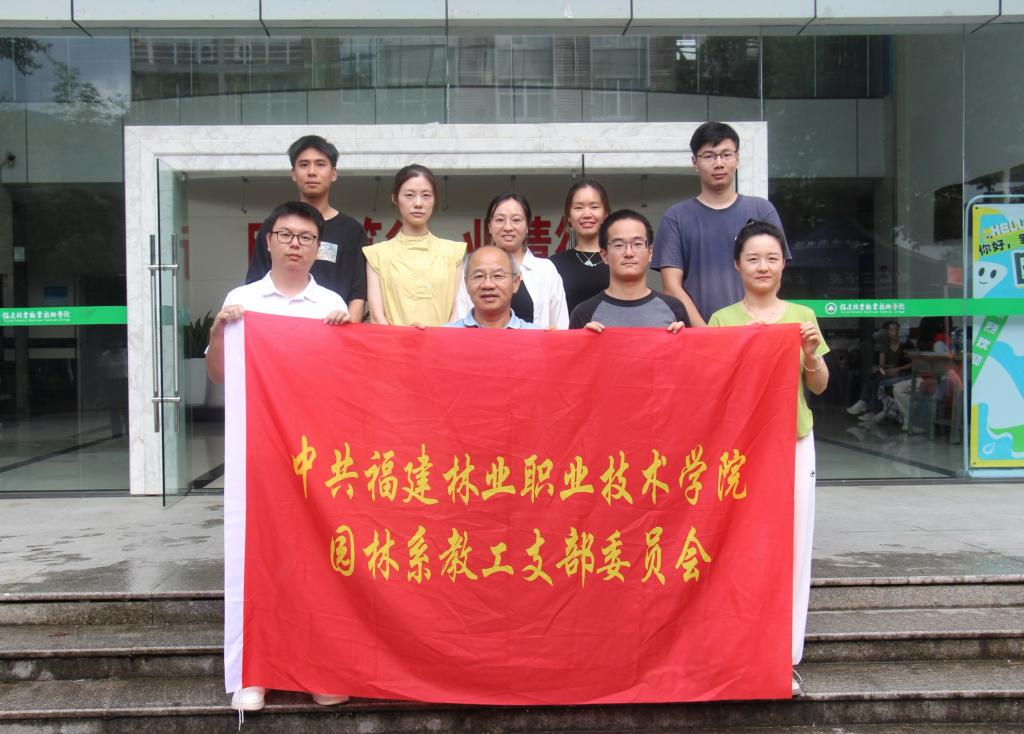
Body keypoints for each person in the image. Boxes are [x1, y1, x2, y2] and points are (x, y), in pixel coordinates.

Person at [207, 201, 350, 711]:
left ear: (318, 248)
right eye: (286, 235)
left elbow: (346, 384)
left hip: (314, 453)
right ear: (267, 241)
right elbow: (219, 374)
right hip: (259, 452)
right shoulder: (243, 299)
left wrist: (346, 337)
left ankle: (317, 666)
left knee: (314, 559)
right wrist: (219, 330)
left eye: (305, 238)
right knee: (259, 556)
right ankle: (256, 671)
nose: (295, 244)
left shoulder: (330, 302)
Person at [707, 219, 828, 696]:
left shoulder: (801, 316)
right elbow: (711, 386)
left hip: (793, 444)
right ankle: (738, 649)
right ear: (737, 265)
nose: (763, 266)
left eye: (772, 258)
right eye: (753, 258)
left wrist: (811, 355)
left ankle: (784, 658)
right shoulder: (722, 320)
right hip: (741, 452)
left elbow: (819, 385)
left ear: (783, 265)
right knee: (739, 547)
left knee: (793, 548)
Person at [652, 121, 789, 327]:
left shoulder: (762, 210)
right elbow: (672, 287)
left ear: (737, 158)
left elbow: (773, 274)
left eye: (726, 154)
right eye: (708, 156)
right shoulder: (677, 217)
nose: (719, 163)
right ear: (694, 162)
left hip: (757, 330)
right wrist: (708, 334)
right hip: (700, 336)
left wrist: (755, 326)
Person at [245, 135, 367, 322]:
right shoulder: (274, 226)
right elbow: (255, 281)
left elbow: (358, 294)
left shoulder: (352, 230)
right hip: (278, 329)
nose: (311, 172)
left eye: (320, 164)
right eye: (303, 165)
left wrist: (346, 334)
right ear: (293, 173)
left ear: (333, 173)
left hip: (332, 329)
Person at [363, 164, 466, 326]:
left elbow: (458, 312)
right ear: (395, 198)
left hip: (443, 340)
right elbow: (377, 317)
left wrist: (440, 338)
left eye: (426, 195)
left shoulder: (453, 253)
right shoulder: (377, 254)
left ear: (434, 199)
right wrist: (405, 338)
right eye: (409, 195)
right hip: (394, 341)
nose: (418, 203)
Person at [457, 193, 569, 329]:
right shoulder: (473, 268)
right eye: (500, 220)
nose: (508, 227)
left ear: (527, 226)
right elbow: (461, 321)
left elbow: (561, 324)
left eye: (516, 220)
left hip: (534, 343)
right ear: (489, 226)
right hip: (479, 343)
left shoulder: (545, 269)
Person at [569, 209, 688, 332]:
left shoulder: (674, 309)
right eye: (618, 245)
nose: (629, 253)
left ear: (651, 252)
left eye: (637, 244)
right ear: (604, 255)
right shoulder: (584, 314)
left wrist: (681, 338)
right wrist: (584, 339)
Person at [549, 180, 611, 313]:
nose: (587, 214)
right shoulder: (554, 264)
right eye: (578, 208)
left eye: (594, 207)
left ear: (605, 214)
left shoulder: (619, 259)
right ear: (569, 217)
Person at [445, 245, 542, 329]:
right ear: (466, 284)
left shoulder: (536, 336)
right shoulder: (446, 335)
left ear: (515, 283)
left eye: (498, 276)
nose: (488, 285)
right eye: (478, 276)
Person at [847, 320, 912, 421]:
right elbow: (882, 364)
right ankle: (864, 402)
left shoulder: (906, 344)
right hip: (889, 372)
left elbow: (913, 363)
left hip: (903, 373)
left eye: (896, 330)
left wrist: (897, 369)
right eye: (891, 330)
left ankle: (871, 409)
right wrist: (879, 368)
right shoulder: (885, 346)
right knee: (872, 375)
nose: (894, 332)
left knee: (877, 381)